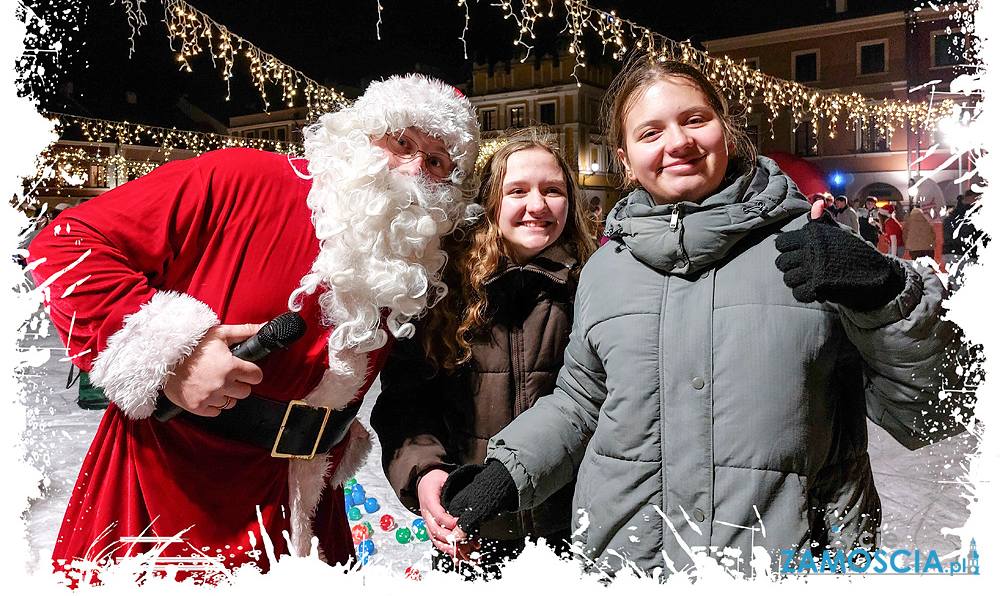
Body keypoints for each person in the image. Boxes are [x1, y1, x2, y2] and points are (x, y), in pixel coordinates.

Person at [436, 57, 966, 580]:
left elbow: (939, 412)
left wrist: (891, 295)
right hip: (626, 564)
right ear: (625, 157)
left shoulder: (814, 249)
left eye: (694, 120)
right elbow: (582, 402)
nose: (677, 143)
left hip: (786, 564)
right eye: (650, 132)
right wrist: (509, 470)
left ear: (726, 131)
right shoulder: (605, 269)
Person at [27, 74, 480, 584]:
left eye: (437, 162)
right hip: (173, 495)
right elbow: (66, 245)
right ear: (360, 135)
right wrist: (174, 355)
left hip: (307, 513)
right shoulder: (243, 177)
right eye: (402, 142)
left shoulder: (415, 262)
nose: (415, 168)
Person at [371, 130, 597, 578]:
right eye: (518, 191)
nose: (538, 205)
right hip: (472, 529)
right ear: (491, 201)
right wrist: (426, 473)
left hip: (576, 527)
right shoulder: (442, 292)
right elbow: (407, 403)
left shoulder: (591, 285)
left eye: (553, 190)